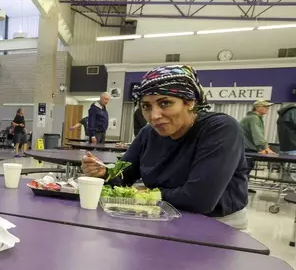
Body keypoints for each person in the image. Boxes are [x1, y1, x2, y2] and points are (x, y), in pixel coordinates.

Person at [82, 64, 249, 230]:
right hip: (160, 217)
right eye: (146, 106)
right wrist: (104, 173)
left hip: (218, 225)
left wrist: (145, 192)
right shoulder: (148, 133)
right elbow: (124, 176)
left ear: (189, 102)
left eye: (165, 103)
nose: (154, 116)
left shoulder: (220, 129)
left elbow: (200, 200)